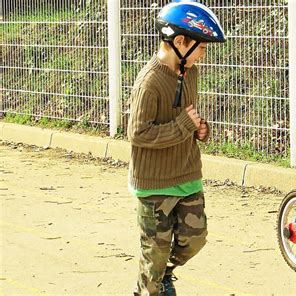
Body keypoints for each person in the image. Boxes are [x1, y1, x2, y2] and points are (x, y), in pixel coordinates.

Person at [127, 1, 225, 295]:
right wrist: (184, 125)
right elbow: (138, 133)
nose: (204, 54)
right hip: (155, 185)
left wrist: (200, 129)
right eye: (201, 46)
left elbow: (187, 117)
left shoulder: (189, 71)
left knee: (195, 239)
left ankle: (158, 274)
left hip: (187, 175)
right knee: (155, 251)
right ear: (179, 42)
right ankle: (149, 284)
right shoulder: (149, 82)